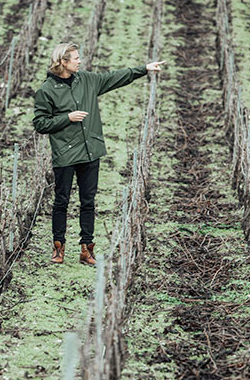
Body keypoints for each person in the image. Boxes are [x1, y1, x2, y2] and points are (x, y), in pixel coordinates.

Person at [33, 42, 165, 266]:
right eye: (75, 58)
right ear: (63, 62)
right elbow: (40, 123)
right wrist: (67, 118)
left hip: (90, 151)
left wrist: (144, 69)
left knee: (88, 202)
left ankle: (87, 249)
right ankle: (58, 248)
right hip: (65, 154)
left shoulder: (87, 80)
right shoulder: (46, 90)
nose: (80, 60)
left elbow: (114, 77)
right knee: (61, 201)